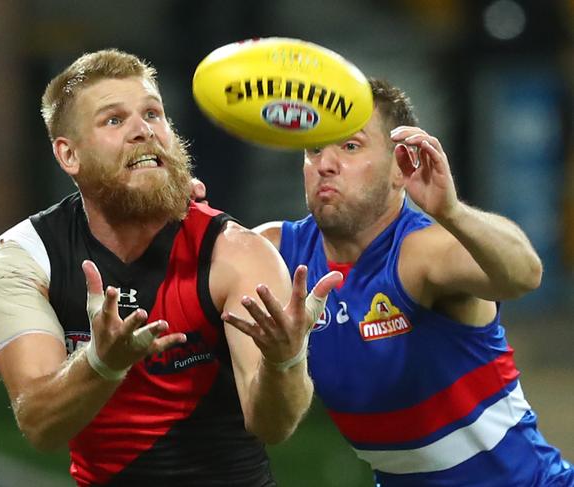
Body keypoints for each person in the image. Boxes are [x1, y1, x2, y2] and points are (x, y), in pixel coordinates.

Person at [0, 49, 340, 487]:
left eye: (153, 113)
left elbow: (273, 426)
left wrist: (286, 361)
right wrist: (101, 363)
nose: (143, 130)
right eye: (114, 120)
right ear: (68, 155)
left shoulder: (235, 254)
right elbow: (40, 425)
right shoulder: (24, 258)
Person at [244, 79, 573, 486]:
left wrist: (453, 212)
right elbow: (205, 254)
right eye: (315, 148)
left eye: (350, 146)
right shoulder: (278, 252)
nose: (325, 163)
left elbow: (525, 274)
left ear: (401, 167)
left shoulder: (421, 254)